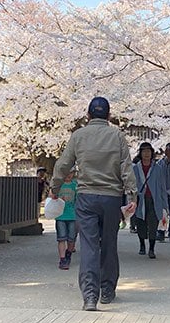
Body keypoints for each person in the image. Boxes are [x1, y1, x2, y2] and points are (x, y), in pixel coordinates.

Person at [51, 97, 137, 311]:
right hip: (111, 197)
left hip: (87, 196)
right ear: (108, 116)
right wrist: (132, 195)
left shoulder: (78, 136)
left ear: (88, 115)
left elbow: (63, 164)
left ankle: (90, 296)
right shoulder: (117, 136)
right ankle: (107, 290)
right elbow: (126, 166)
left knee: (89, 246)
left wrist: (54, 187)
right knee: (109, 243)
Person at [132, 142, 168, 259]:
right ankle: (142, 244)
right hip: (140, 200)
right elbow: (132, 186)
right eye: (144, 151)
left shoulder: (157, 168)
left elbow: (163, 186)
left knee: (153, 224)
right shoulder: (135, 168)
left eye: (149, 151)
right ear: (140, 153)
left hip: (154, 199)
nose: (146, 154)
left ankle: (151, 248)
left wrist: (164, 205)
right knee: (140, 223)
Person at [55, 167, 78, 270]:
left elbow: (79, 200)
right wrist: (57, 198)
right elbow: (51, 195)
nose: (69, 175)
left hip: (73, 215)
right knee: (61, 238)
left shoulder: (75, 185)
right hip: (60, 215)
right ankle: (62, 259)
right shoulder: (59, 185)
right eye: (67, 173)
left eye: (71, 173)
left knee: (72, 238)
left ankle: (68, 253)